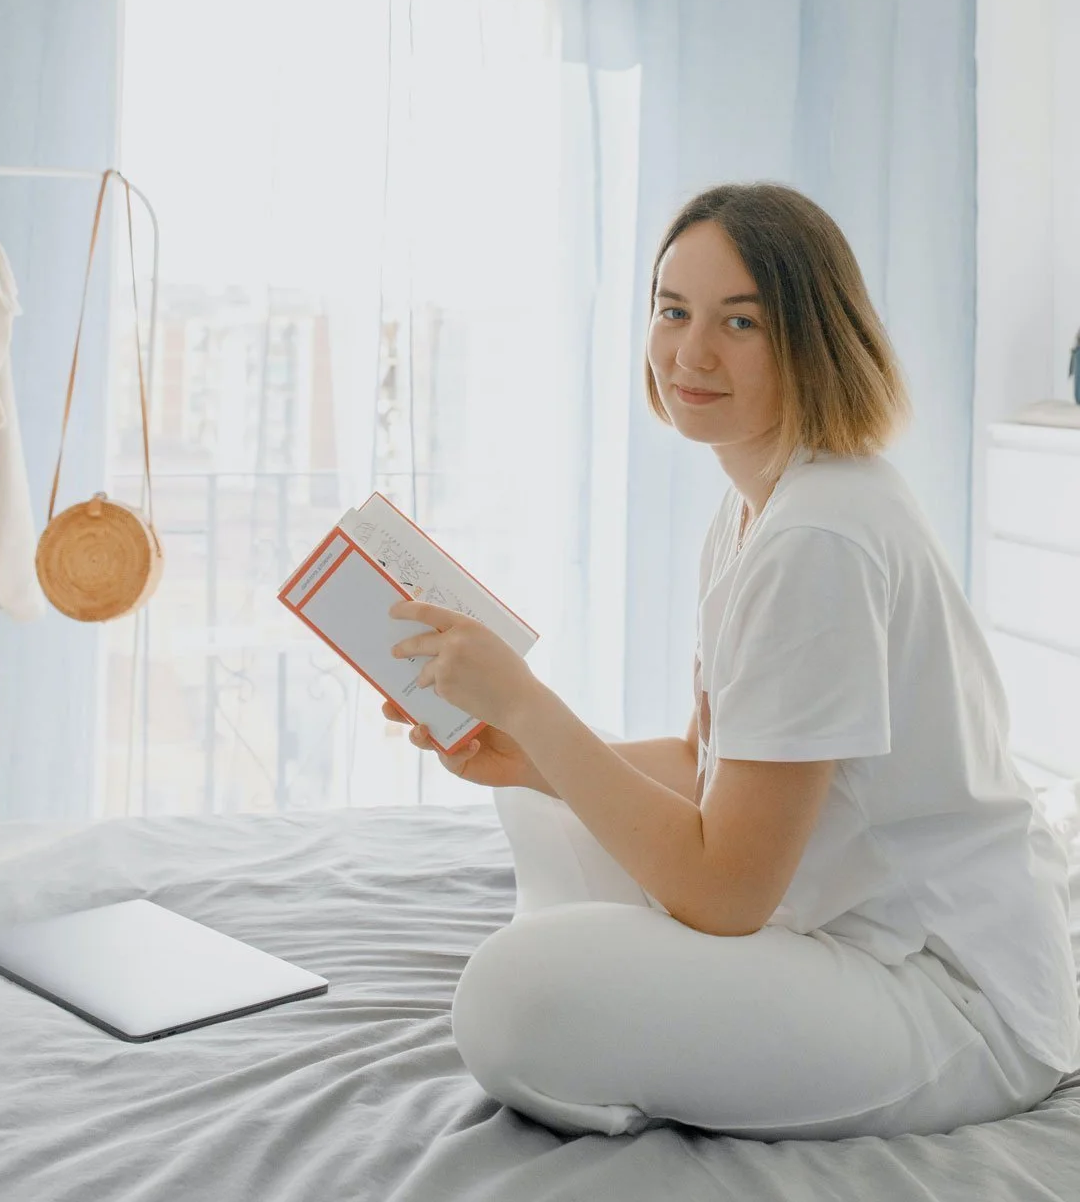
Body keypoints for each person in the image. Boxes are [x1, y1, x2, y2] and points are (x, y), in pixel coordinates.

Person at [382, 181, 1079, 1140]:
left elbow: (727, 892)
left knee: (509, 996)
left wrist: (535, 707)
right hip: (845, 925)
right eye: (673, 311)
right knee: (535, 806)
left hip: (953, 995)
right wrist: (524, 751)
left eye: (739, 321)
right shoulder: (763, 501)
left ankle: (614, 1031)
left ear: (810, 337)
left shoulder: (819, 539)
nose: (689, 353)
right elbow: (715, 768)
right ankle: (630, 1023)